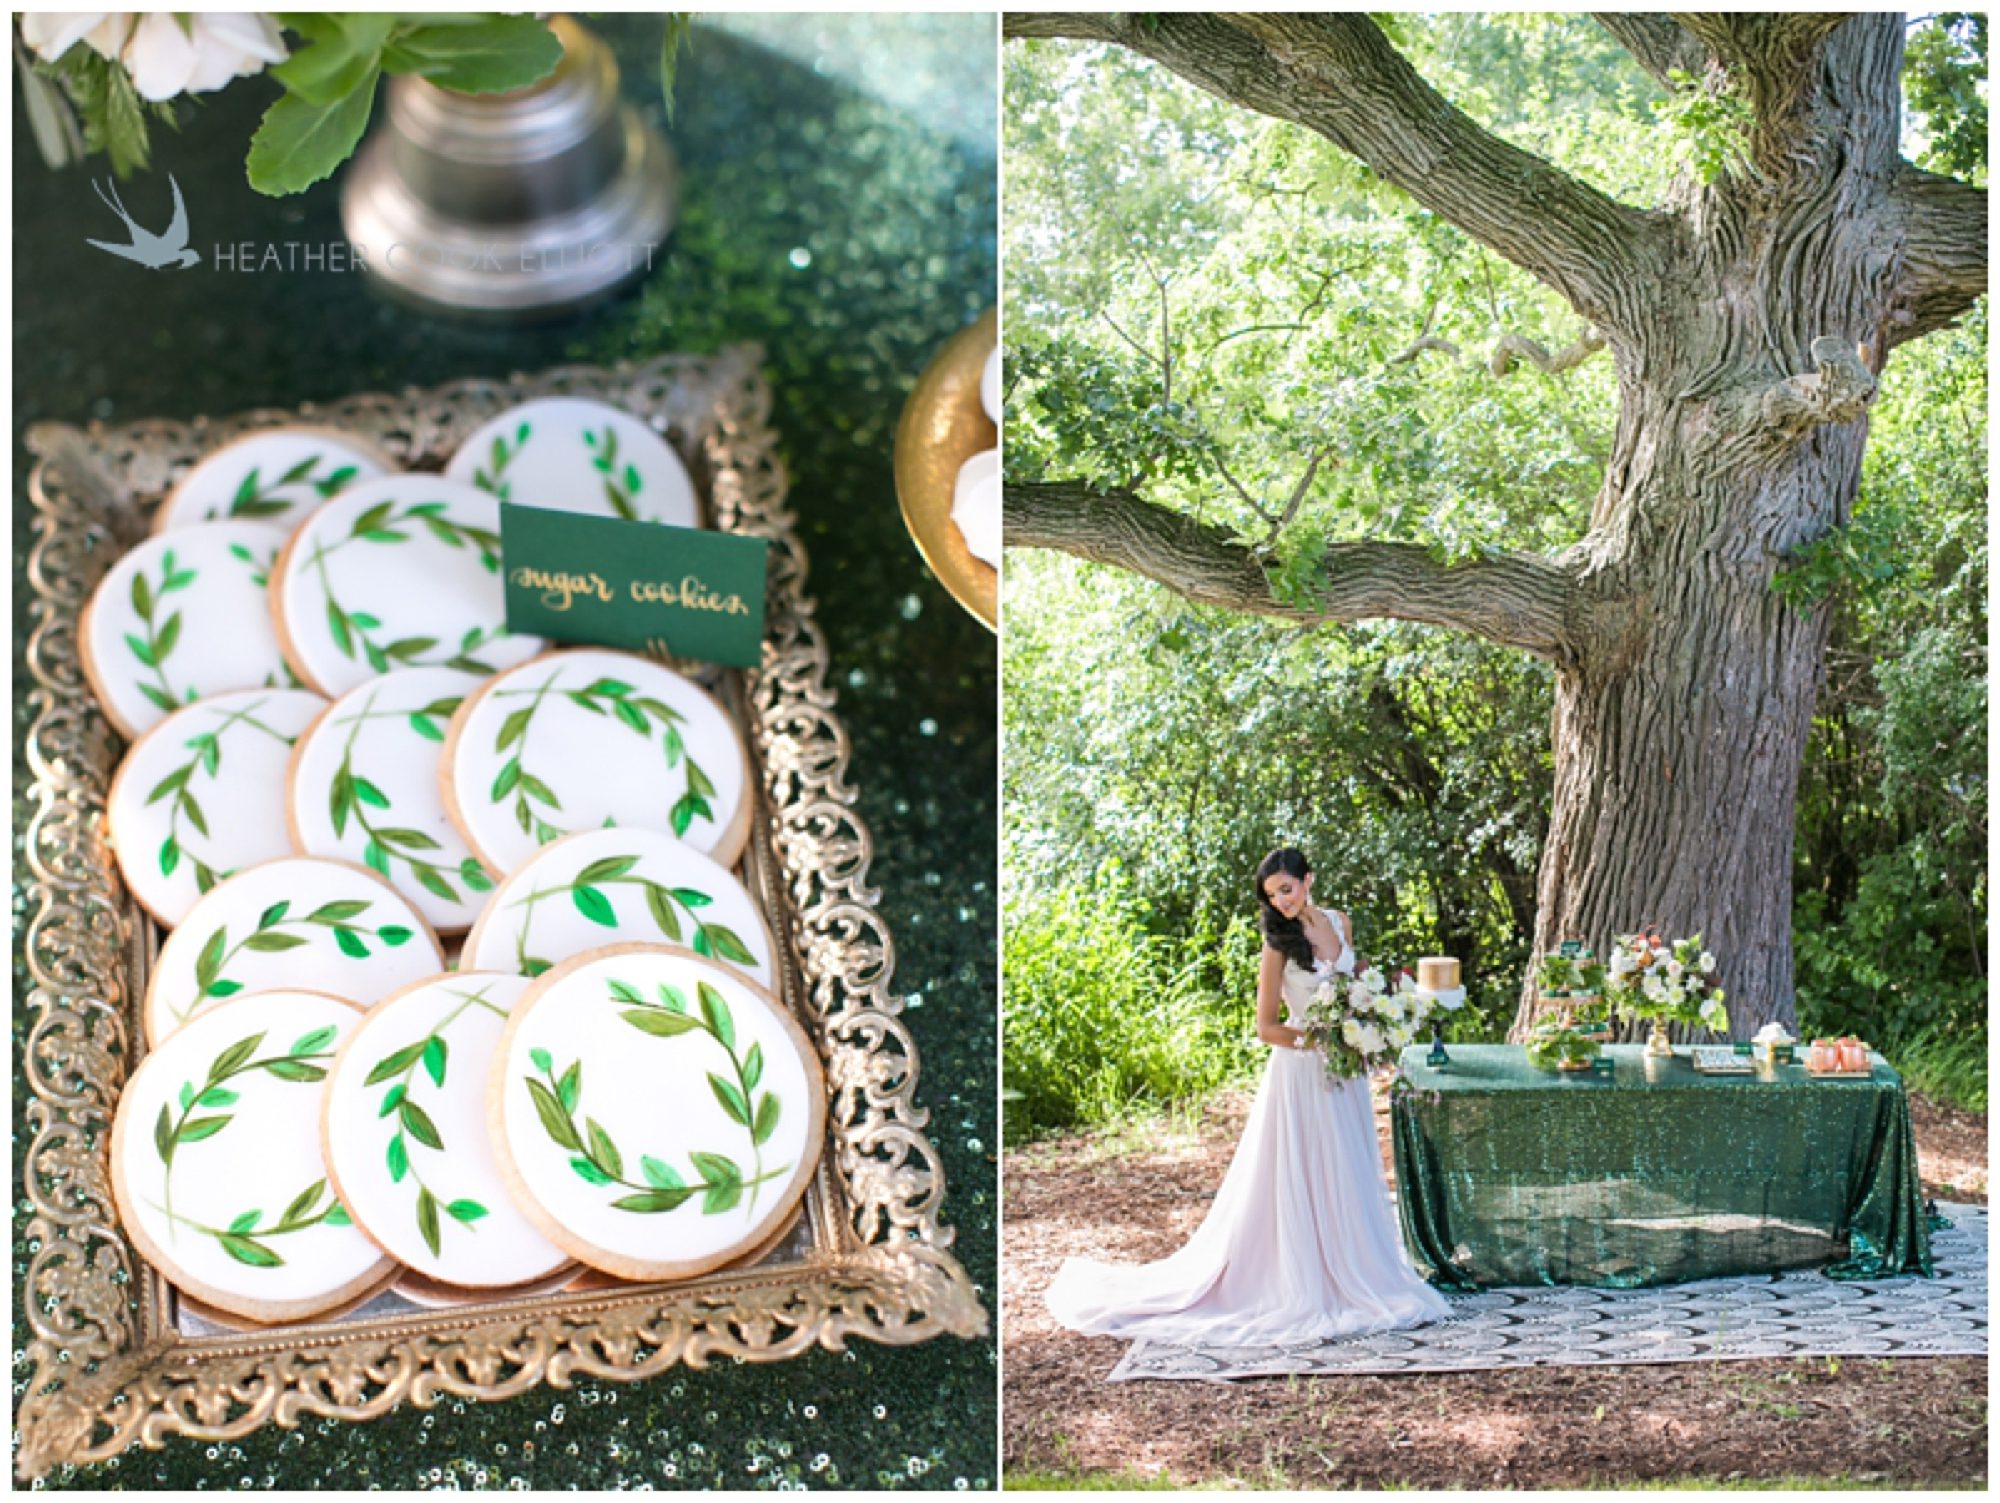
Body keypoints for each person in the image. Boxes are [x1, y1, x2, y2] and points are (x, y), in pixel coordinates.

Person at [1043, 846, 1450, 1343]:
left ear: (1308, 880)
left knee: (1347, 1163)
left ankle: (1358, 1265)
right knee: (1306, 1167)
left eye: (1286, 888)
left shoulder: (1340, 923)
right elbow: (1267, 1028)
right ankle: (1305, 1278)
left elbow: (1358, 982)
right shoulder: (1277, 945)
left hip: (1347, 1071)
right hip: (1302, 1070)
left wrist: (1374, 1019)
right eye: (1271, 895)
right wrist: (1324, 1039)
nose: (1279, 901)